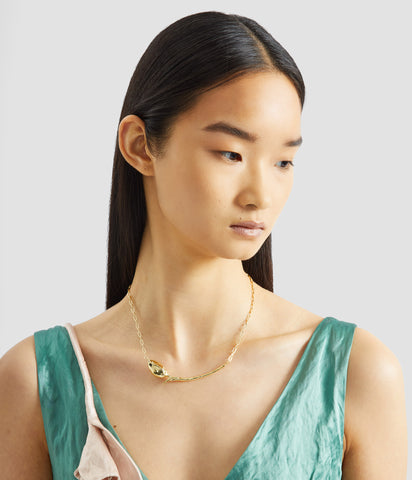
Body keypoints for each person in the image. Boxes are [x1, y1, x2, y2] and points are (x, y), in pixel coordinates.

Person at [0, 10, 407, 479]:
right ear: (140, 145)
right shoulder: (37, 382)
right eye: (231, 154)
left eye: (283, 162)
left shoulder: (354, 374)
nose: (260, 195)